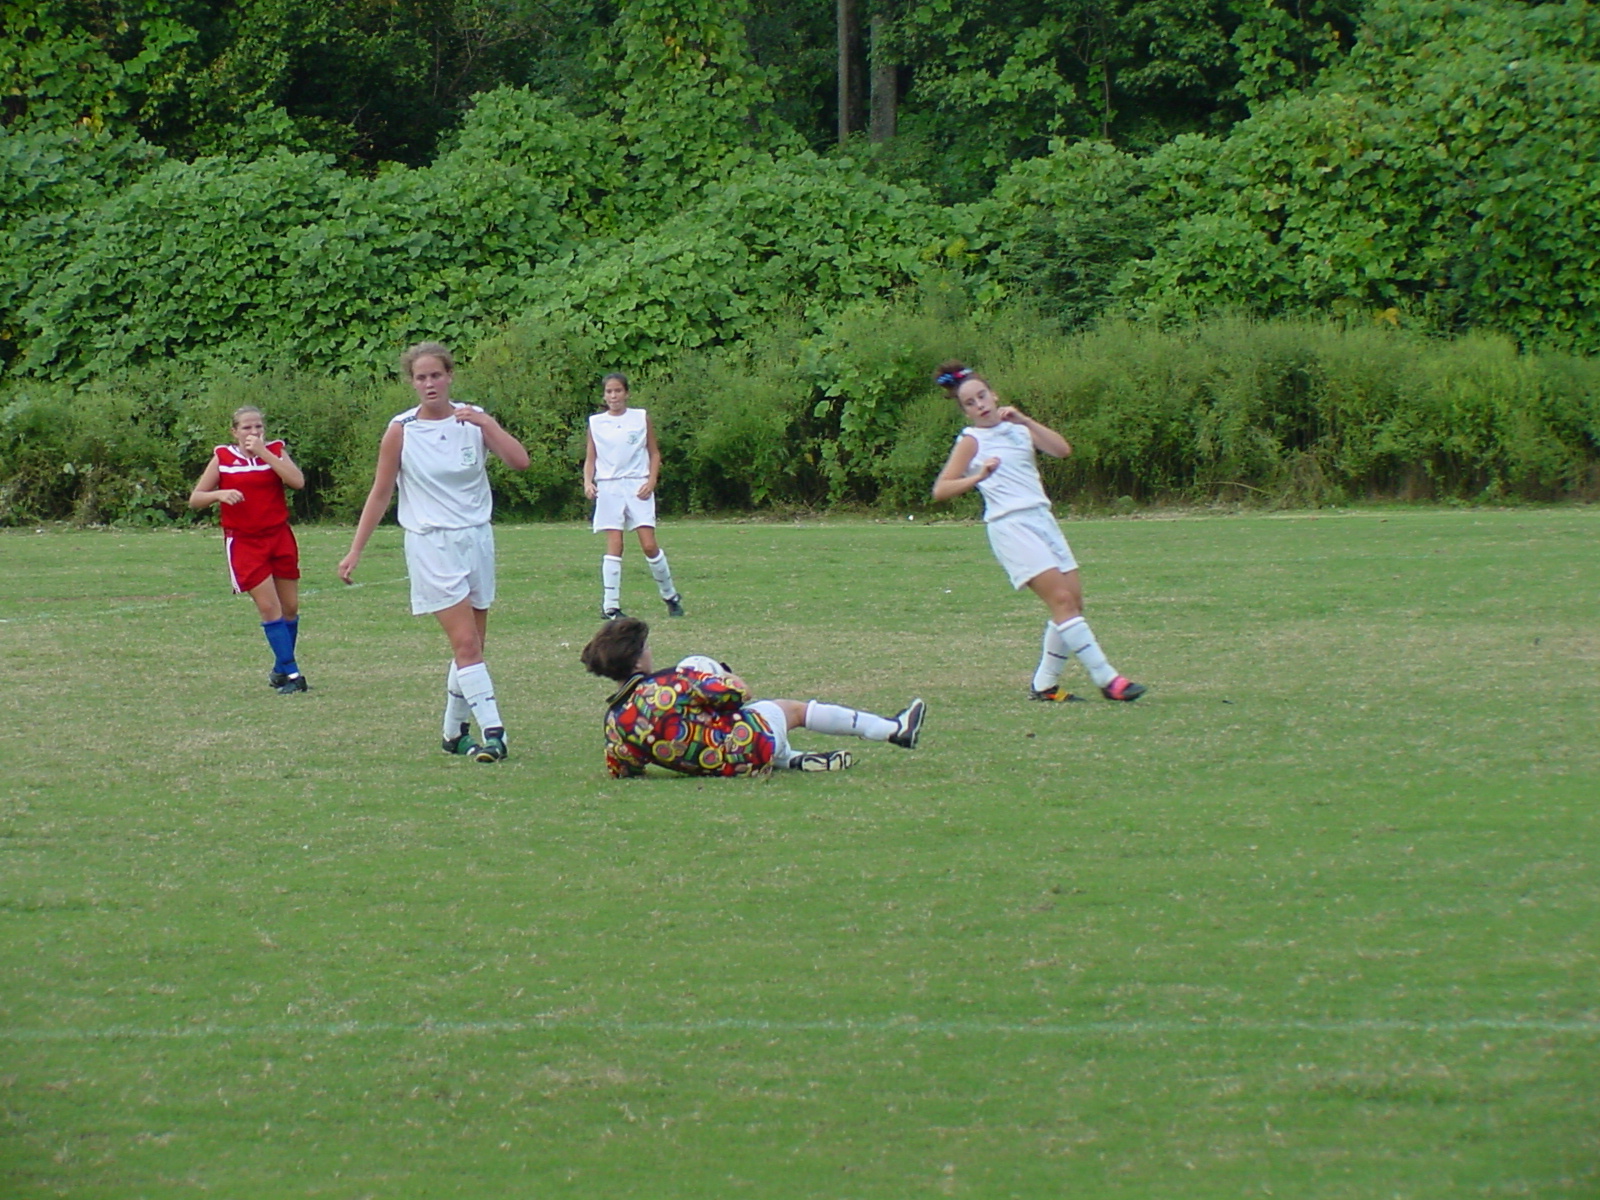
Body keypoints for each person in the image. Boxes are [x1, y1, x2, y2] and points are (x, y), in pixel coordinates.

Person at [337, 341, 531, 762]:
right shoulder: (402, 429)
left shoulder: (473, 420)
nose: (429, 384)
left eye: (436, 375)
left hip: (476, 539)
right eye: (421, 377)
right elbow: (381, 492)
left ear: (449, 377)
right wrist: (356, 550)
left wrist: (487, 423)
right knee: (466, 644)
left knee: (473, 646)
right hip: (431, 542)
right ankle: (494, 733)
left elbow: (520, 462)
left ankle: (452, 733)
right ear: (412, 382)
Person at [930, 361, 1146, 704]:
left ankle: (1045, 685)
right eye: (970, 403)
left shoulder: (1018, 429)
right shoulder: (971, 441)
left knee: (1073, 603)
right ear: (965, 411)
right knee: (1062, 601)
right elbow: (941, 490)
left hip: (1042, 519)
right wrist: (979, 477)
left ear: (993, 394)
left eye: (982, 396)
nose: (980, 405)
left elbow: (1062, 450)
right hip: (1010, 526)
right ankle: (1108, 679)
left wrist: (1026, 420)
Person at [580, 617, 925, 777]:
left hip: (716, 769)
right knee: (790, 711)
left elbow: (623, 767)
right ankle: (892, 729)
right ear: (637, 661)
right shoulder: (671, 683)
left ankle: (791, 760)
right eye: (646, 647)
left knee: (749, 732)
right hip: (748, 742)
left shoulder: (614, 722)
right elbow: (740, 694)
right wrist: (721, 674)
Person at [189, 405, 310, 693]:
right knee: (269, 608)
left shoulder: (275, 451)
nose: (253, 432)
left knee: (290, 608)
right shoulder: (223, 458)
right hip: (245, 542)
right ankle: (294, 675)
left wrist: (264, 452)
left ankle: (281, 668)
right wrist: (219, 494)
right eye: (246, 428)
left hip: (279, 536)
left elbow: (297, 482)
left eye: (258, 427)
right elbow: (196, 498)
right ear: (234, 431)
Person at [583, 372, 685, 620]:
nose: (613, 396)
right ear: (604, 395)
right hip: (609, 486)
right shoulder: (596, 423)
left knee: (648, 545)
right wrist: (588, 481)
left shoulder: (640, 417)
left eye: (618, 391)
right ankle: (610, 606)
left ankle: (670, 595)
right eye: (609, 392)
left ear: (626, 393)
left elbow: (654, 453)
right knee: (615, 544)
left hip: (637, 484)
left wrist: (651, 481)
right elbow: (591, 458)